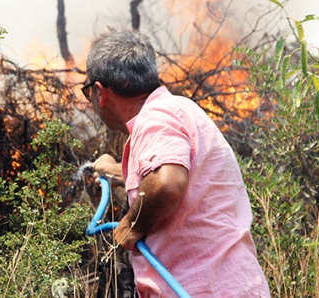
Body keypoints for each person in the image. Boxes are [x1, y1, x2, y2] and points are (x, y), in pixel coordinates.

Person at [83, 28, 270, 297]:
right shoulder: (179, 109)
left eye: (88, 91)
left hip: (202, 288)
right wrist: (112, 169)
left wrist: (130, 226)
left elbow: (167, 182)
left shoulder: (155, 119)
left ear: (100, 92)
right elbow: (164, 174)